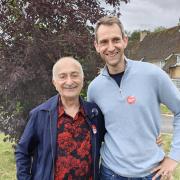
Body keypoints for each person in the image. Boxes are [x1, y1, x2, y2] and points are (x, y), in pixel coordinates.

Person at [87, 16, 180, 180]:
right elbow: (97, 131)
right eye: (104, 41)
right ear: (96, 46)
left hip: (152, 173)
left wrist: (174, 157)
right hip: (110, 174)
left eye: (116, 39)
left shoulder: (152, 74)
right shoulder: (94, 89)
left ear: (125, 40)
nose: (110, 47)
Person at [15, 57, 105, 180]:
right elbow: (22, 152)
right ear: (54, 82)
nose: (69, 81)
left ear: (82, 79)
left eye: (74, 75)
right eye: (62, 76)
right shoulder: (40, 114)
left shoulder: (94, 113)